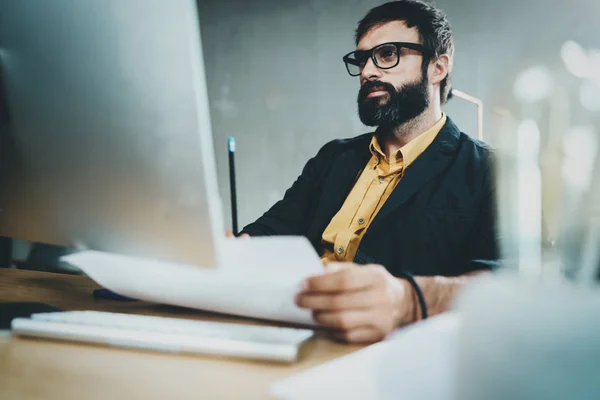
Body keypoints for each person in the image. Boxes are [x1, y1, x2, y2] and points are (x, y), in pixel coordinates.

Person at [238, 0, 498, 343]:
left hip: (398, 357)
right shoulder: (334, 157)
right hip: (295, 334)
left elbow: (510, 285)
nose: (368, 72)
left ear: (437, 67)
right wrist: (229, 249)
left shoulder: (487, 170)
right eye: (362, 59)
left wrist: (408, 301)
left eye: (388, 54)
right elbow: (273, 231)